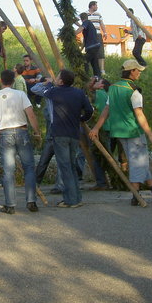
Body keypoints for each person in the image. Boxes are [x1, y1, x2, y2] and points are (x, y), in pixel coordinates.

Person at [90, 59, 152, 205]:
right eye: (137, 70)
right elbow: (139, 114)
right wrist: (151, 135)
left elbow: (106, 110)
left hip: (119, 132)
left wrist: (96, 127)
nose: (139, 73)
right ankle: (136, 195)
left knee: (140, 161)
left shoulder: (113, 88)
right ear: (131, 71)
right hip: (134, 132)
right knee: (137, 163)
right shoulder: (133, 91)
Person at [0, 69, 42, 214]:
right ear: (13, 81)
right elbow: (31, 114)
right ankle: (31, 201)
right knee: (29, 167)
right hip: (21, 131)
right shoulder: (21, 94)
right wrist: (37, 132)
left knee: (8, 170)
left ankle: (10, 204)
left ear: (1, 81)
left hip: (5, 133)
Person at [38, 69, 93, 207]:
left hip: (59, 134)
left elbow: (37, 90)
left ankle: (70, 200)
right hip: (74, 133)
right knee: (71, 166)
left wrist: (49, 83)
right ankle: (76, 198)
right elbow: (89, 110)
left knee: (65, 167)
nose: (55, 78)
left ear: (61, 81)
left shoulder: (54, 92)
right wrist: (81, 118)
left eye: (57, 76)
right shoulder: (79, 93)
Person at [84, 1, 108, 75]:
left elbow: (102, 24)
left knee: (100, 52)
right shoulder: (85, 14)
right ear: (92, 6)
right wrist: (82, 27)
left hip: (98, 34)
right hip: (89, 36)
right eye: (96, 5)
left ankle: (102, 70)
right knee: (90, 52)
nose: (97, 7)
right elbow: (75, 20)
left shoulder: (98, 14)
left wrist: (105, 32)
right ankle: (89, 68)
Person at [75, 12, 101, 77]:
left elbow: (80, 29)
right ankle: (97, 77)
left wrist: (72, 34)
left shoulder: (86, 22)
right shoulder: (89, 25)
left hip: (92, 47)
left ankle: (85, 76)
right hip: (95, 46)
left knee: (84, 60)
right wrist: (81, 49)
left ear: (81, 19)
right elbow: (84, 40)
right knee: (94, 63)